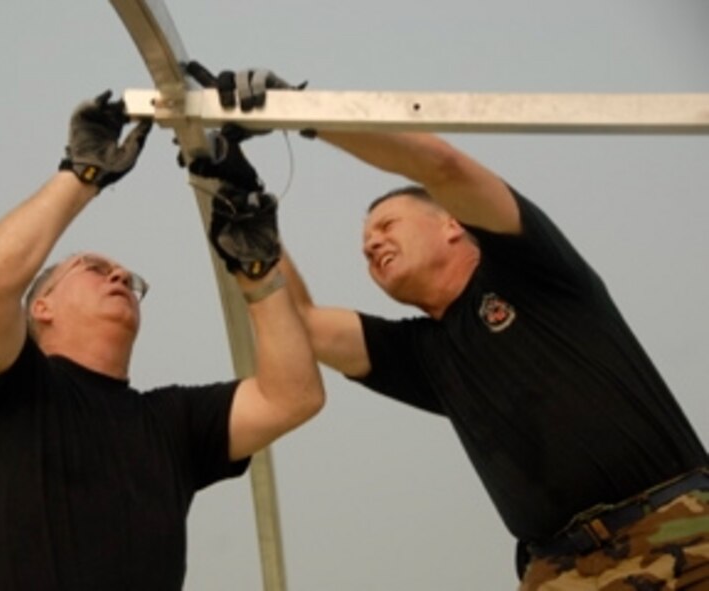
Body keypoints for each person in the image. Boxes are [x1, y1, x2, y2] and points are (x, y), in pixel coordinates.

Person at [187, 66, 709, 589]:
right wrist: (239, 198)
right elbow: (300, 324)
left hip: (679, 530)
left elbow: (444, 167)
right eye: (366, 249)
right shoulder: (424, 353)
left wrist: (303, 111)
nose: (372, 246)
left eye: (386, 227)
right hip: (560, 573)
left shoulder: (530, 268)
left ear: (453, 224)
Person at [0, 89, 324, 590]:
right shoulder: (15, 388)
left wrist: (258, 273)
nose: (120, 275)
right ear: (41, 307)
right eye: (95, 268)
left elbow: (293, 396)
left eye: (129, 277)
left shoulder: (170, 425)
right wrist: (80, 176)